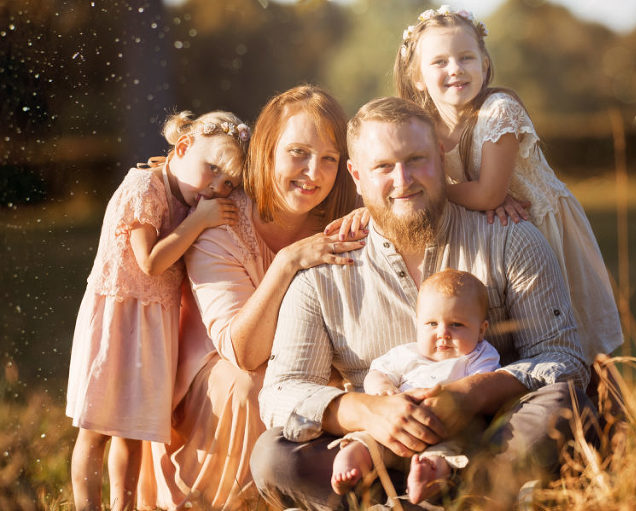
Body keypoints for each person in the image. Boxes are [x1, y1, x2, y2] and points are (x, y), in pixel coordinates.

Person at [253, 96, 596, 510]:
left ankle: (459, 496)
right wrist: (368, 411)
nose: (403, 180)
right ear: (356, 175)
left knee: (565, 407)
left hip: (488, 441)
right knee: (274, 456)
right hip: (375, 451)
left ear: (441, 156)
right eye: (383, 167)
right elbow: (280, 393)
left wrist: (474, 392)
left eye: (417, 159)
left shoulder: (508, 238)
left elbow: (565, 359)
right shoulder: (321, 272)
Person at [333, 5, 622, 364]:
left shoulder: (498, 110)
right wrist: (380, 203)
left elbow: (489, 193)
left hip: (538, 225)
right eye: (439, 62)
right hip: (486, 228)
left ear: (484, 64)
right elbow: (403, 176)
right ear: (418, 77)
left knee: (575, 334)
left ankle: (606, 413)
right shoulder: (426, 126)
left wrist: (428, 190)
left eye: (466, 57)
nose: (455, 69)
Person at [136, 85, 362, 510]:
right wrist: (287, 262)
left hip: (313, 360)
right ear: (267, 150)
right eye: (298, 152)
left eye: (328, 158)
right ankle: (229, 501)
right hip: (221, 369)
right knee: (251, 386)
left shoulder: (341, 217)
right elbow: (244, 351)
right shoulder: (221, 222)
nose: (313, 172)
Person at [66, 110, 250, 510]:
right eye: (213, 169)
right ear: (182, 148)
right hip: (118, 319)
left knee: (130, 433)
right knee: (95, 430)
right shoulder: (143, 187)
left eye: (228, 182)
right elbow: (149, 261)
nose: (217, 187)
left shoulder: (191, 199)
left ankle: (124, 506)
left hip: (153, 325)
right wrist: (200, 221)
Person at [331, 269, 500, 504]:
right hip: (393, 429)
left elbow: (483, 384)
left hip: (444, 432)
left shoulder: (479, 356)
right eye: (431, 323)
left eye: (456, 324)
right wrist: (383, 391)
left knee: (448, 454)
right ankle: (350, 462)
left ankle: (425, 480)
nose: (443, 334)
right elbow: (377, 373)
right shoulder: (406, 354)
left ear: (481, 330)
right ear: (417, 324)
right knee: (365, 440)